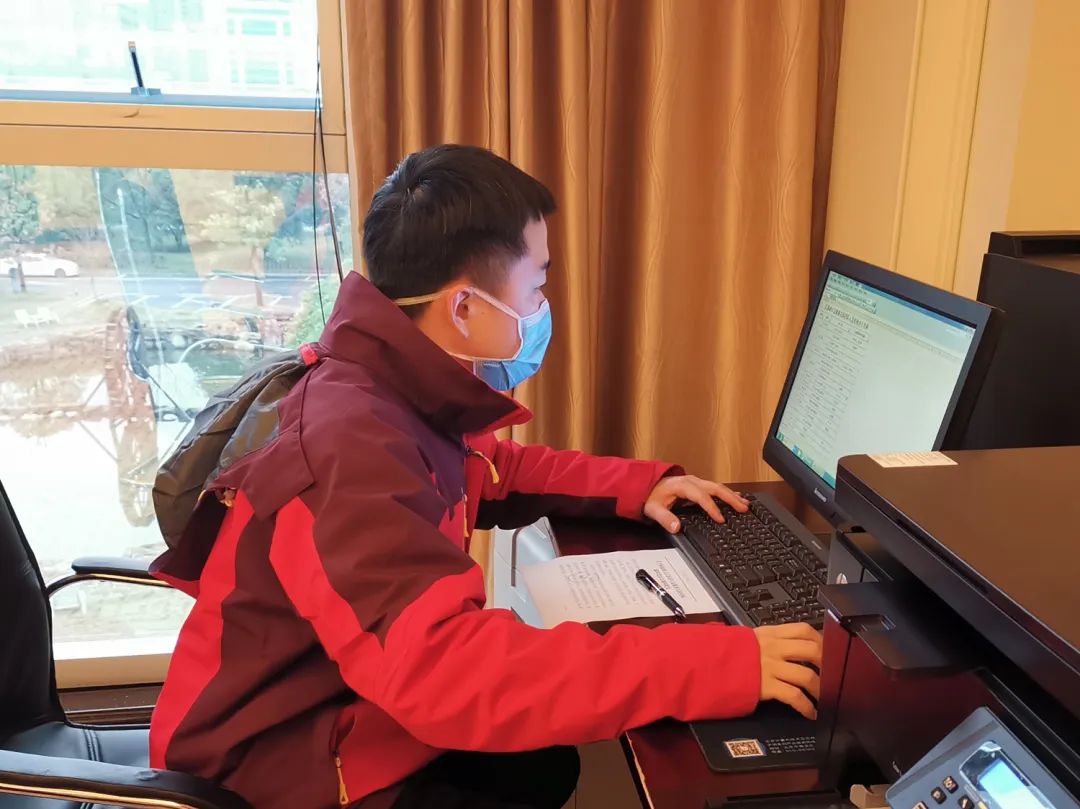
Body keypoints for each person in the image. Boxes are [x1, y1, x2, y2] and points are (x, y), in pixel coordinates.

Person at [149, 145, 823, 809]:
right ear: (464, 307)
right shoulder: (347, 446)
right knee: (550, 757)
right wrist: (721, 664)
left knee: (545, 765)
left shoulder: (388, 382)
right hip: (280, 765)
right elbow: (447, 674)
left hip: (346, 700)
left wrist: (638, 487)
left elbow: (490, 469)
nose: (542, 308)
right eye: (536, 288)